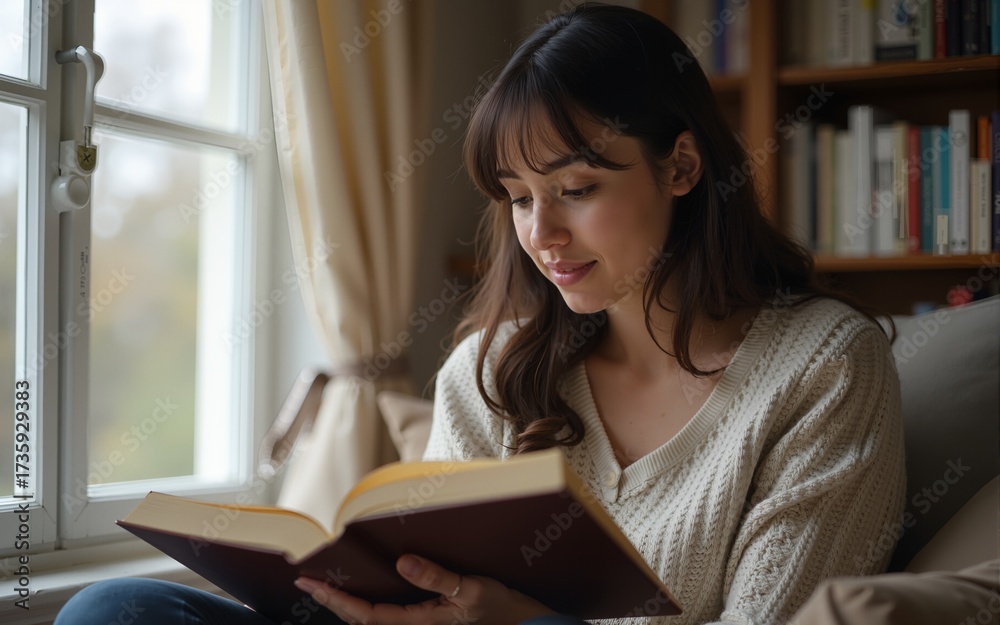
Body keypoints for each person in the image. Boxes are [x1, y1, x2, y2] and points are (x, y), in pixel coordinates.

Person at [55, 3, 905, 625]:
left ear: (681, 166)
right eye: (519, 197)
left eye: (576, 190)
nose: (542, 234)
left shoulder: (825, 367)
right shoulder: (496, 367)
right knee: (114, 606)